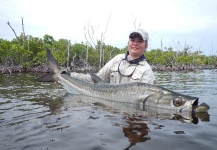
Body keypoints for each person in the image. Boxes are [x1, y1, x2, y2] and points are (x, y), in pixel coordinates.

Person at [71, 28, 155, 84]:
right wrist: (69, 76)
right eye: (132, 40)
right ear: (128, 43)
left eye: (140, 41)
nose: (135, 44)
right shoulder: (117, 59)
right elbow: (96, 79)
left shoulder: (147, 71)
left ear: (146, 45)